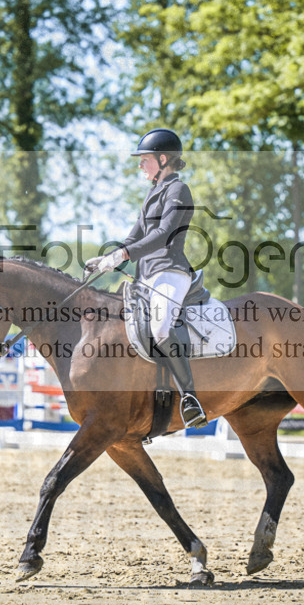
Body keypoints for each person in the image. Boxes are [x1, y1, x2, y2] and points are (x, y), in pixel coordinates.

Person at [86, 128, 207, 428]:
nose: (140, 165)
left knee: (161, 328)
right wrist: (106, 259)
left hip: (170, 271)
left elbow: (163, 235)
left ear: (163, 159)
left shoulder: (179, 191)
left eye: (145, 159)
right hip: (145, 276)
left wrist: (124, 256)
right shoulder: (152, 194)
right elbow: (132, 237)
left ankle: (190, 397)